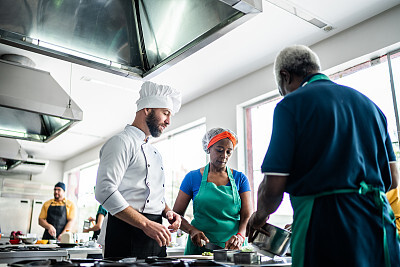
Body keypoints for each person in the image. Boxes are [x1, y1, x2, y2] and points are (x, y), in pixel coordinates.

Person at [246, 45, 400, 267]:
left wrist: (260, 215)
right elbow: (393, 179)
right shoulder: (372, 107)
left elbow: (273, 188)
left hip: (327, 226)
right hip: (378, 224)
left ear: (285, 76)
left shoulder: (291, 105)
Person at [95, 81, 182, 259]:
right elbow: (104, 191)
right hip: (125, 231)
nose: (168, 121)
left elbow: (151, 193)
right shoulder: (120, 142)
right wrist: (145, 224)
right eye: (165, 113)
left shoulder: (155, 152)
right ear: (147, 109)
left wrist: (166, 211)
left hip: (155, 235)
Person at [173, 128, 252, 255]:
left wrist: (240, 236)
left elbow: (247, 215)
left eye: (229, 152)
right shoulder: (192, 178)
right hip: (199, 247)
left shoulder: (240, 179)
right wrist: (192, 230)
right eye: (219, 150)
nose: (224, 156)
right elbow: (176, 214)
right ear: (208, 148)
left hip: (233, 249)